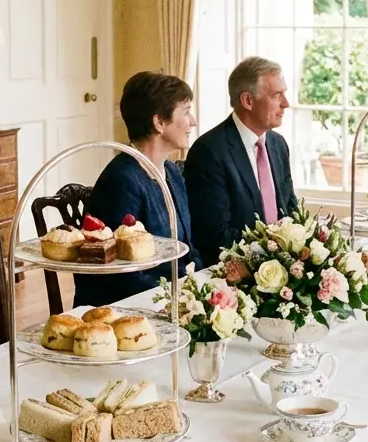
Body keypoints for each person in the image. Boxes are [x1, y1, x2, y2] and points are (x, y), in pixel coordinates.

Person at [73, 72, 202, 307]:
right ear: (159, 122)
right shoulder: (120, 181)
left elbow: (188, 250)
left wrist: (201, 286)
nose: (192, 121)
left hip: (172, 296)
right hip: (131, 307)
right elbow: (120, 273)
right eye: (186, 112)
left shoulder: (172, 172)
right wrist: (175, 300)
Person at [184, 57, 299, 266]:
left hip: (283, 267)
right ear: (247, 101)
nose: (286, 103)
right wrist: (274, 248)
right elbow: (215, 236)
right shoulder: (208, 152)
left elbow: (290, 208)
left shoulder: (278, 144)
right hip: (232, 272)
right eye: (277, 95)